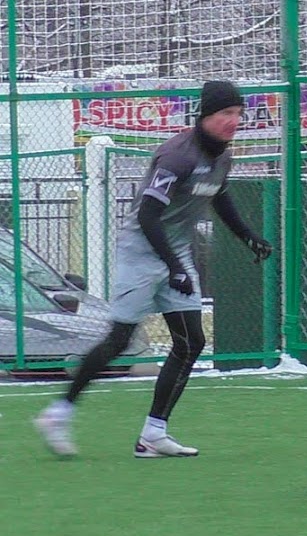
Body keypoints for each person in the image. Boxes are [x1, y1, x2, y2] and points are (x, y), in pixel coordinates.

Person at [34, 80, 273, 458]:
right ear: (206, 115)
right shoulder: (177, 155)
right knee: (119, 340)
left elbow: (220, 194)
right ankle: (58, 413)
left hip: (172, 252)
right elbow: (148, 215)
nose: (234, 120)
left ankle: (152, 435)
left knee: (191, 341)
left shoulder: (223, 155)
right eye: (226, 113)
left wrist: (247, 236)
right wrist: (175, 266)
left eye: (239, 113)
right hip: (140, 250)